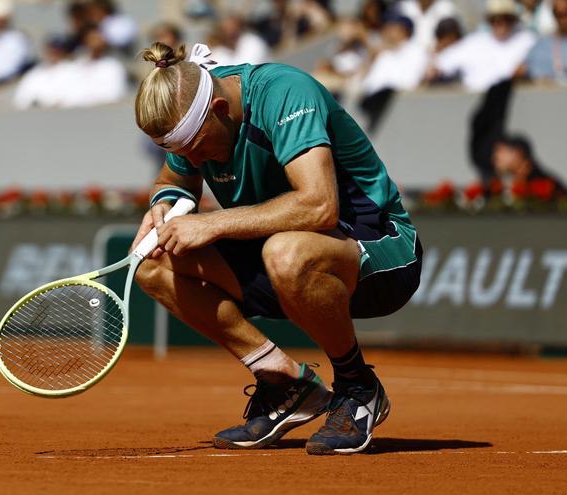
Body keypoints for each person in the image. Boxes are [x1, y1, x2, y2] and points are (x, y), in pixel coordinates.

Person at [131, 42, 422, 455]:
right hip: (281, 255)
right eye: (179, 152)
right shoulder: (196, 124)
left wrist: (211, 222)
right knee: (150, 262)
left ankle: (359, 388)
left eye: (194, 147)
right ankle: (284, 382)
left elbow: (319, 205)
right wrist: (163, 206)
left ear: (219, 110)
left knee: (285, 253)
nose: (192, 160)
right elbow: (171, 183)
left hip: (380, 254)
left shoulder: (283, 92)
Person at [429, 0, 536, 92]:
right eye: (495, 19)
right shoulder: (474, 42)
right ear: (489, 20)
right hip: (471, 103)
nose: (501, 23)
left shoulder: (527, 41)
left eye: (506, 18)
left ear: (513, 20)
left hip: (513, 102)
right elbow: (440, 65)